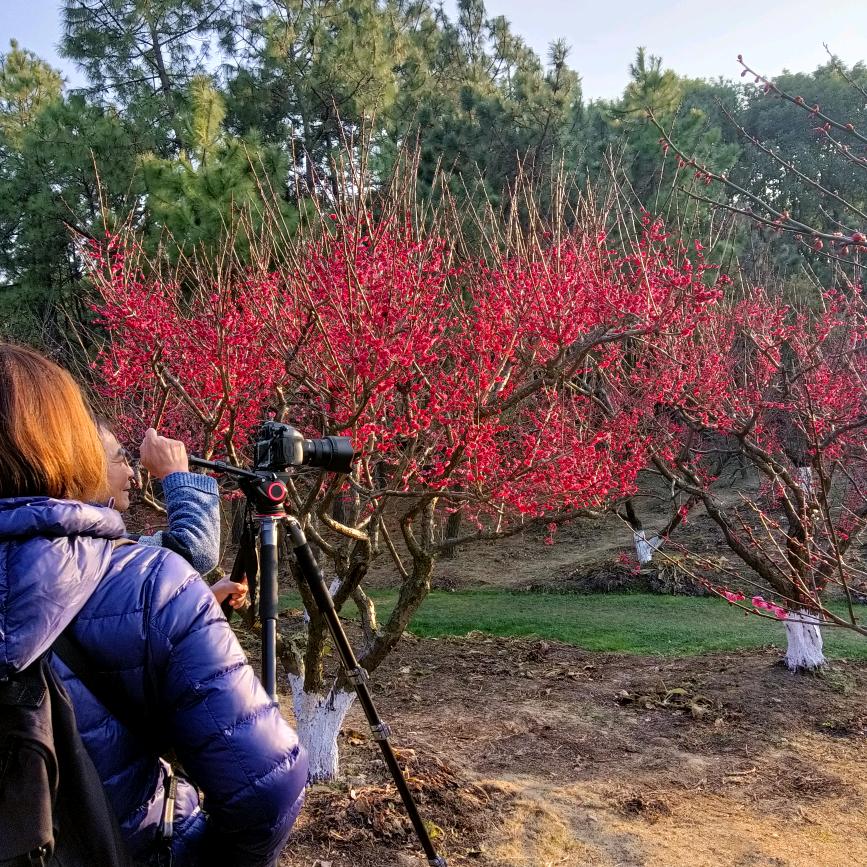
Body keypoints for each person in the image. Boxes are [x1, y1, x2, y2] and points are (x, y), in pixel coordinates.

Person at [0, 343, 307, 866]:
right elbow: (265, 788)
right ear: (68, 449)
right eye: (117, 459)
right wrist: (179, 480)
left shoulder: (134, 578)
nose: (129, 473)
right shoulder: (144, 581)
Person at [98, 421, 248, 609]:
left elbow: (130, 620)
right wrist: (176, 475)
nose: (130, 472)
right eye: (120, 459)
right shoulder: (93, 546)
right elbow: (196, 550)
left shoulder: (77, 546)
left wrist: (207, 598)